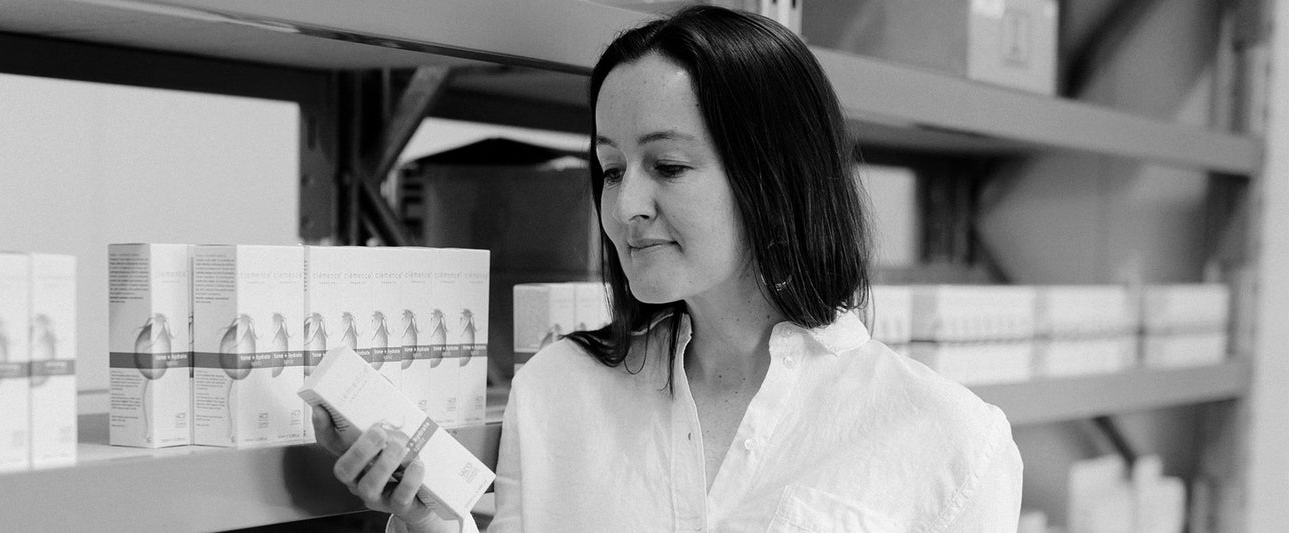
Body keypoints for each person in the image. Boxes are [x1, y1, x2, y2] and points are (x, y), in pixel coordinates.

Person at [314, 6, 1024, 532]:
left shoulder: (950, 442)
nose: (626, 205)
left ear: (775, 175)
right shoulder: (558, 392)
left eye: (669, 166)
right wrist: (424, 514)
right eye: (610, 168)